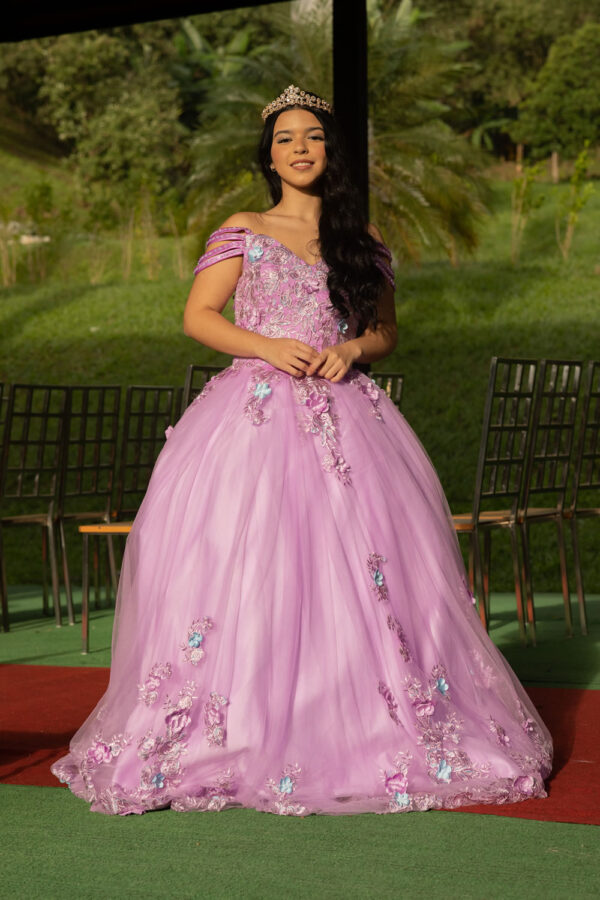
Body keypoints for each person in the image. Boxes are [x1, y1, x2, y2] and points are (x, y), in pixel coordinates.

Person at [52, 85, 552, 816]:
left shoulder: (360, 238)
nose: (299, 148)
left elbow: (385, 331)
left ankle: (358, 724)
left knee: (359, 568)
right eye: (285, 138)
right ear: (269, 156)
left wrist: (352, 349)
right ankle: (239, 730)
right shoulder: (244, 228)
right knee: (252, 562)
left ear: (329, 151)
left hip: (347, 418)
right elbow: (199, 315)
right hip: (252, 419)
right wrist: (264, 347)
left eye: (312, 137)